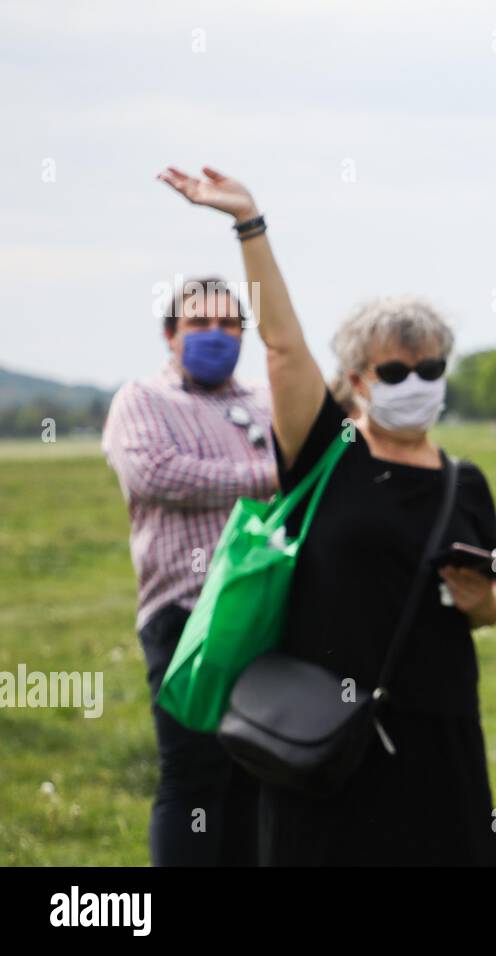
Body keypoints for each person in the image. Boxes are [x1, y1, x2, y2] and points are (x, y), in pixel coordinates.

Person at [160, 165, 496, 866]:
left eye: (431, 370)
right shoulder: (326, 454)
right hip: (322, 729)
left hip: (440, 735)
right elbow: (283, 346)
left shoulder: (465, 484)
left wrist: (483, 600)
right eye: (396, 373)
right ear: (355, 381)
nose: (417, 385)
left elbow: (493, 599)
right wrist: (248, 226)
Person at [102, 276, 272, 866]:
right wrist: (264, 479)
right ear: (170, 334)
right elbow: (158, 475)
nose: (217, 335)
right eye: (200, 324)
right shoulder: (142, 400)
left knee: (257, 767)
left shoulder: (261, 401)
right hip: (185, 611)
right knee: (193, 772)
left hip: (261, 611)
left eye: (230, 325)